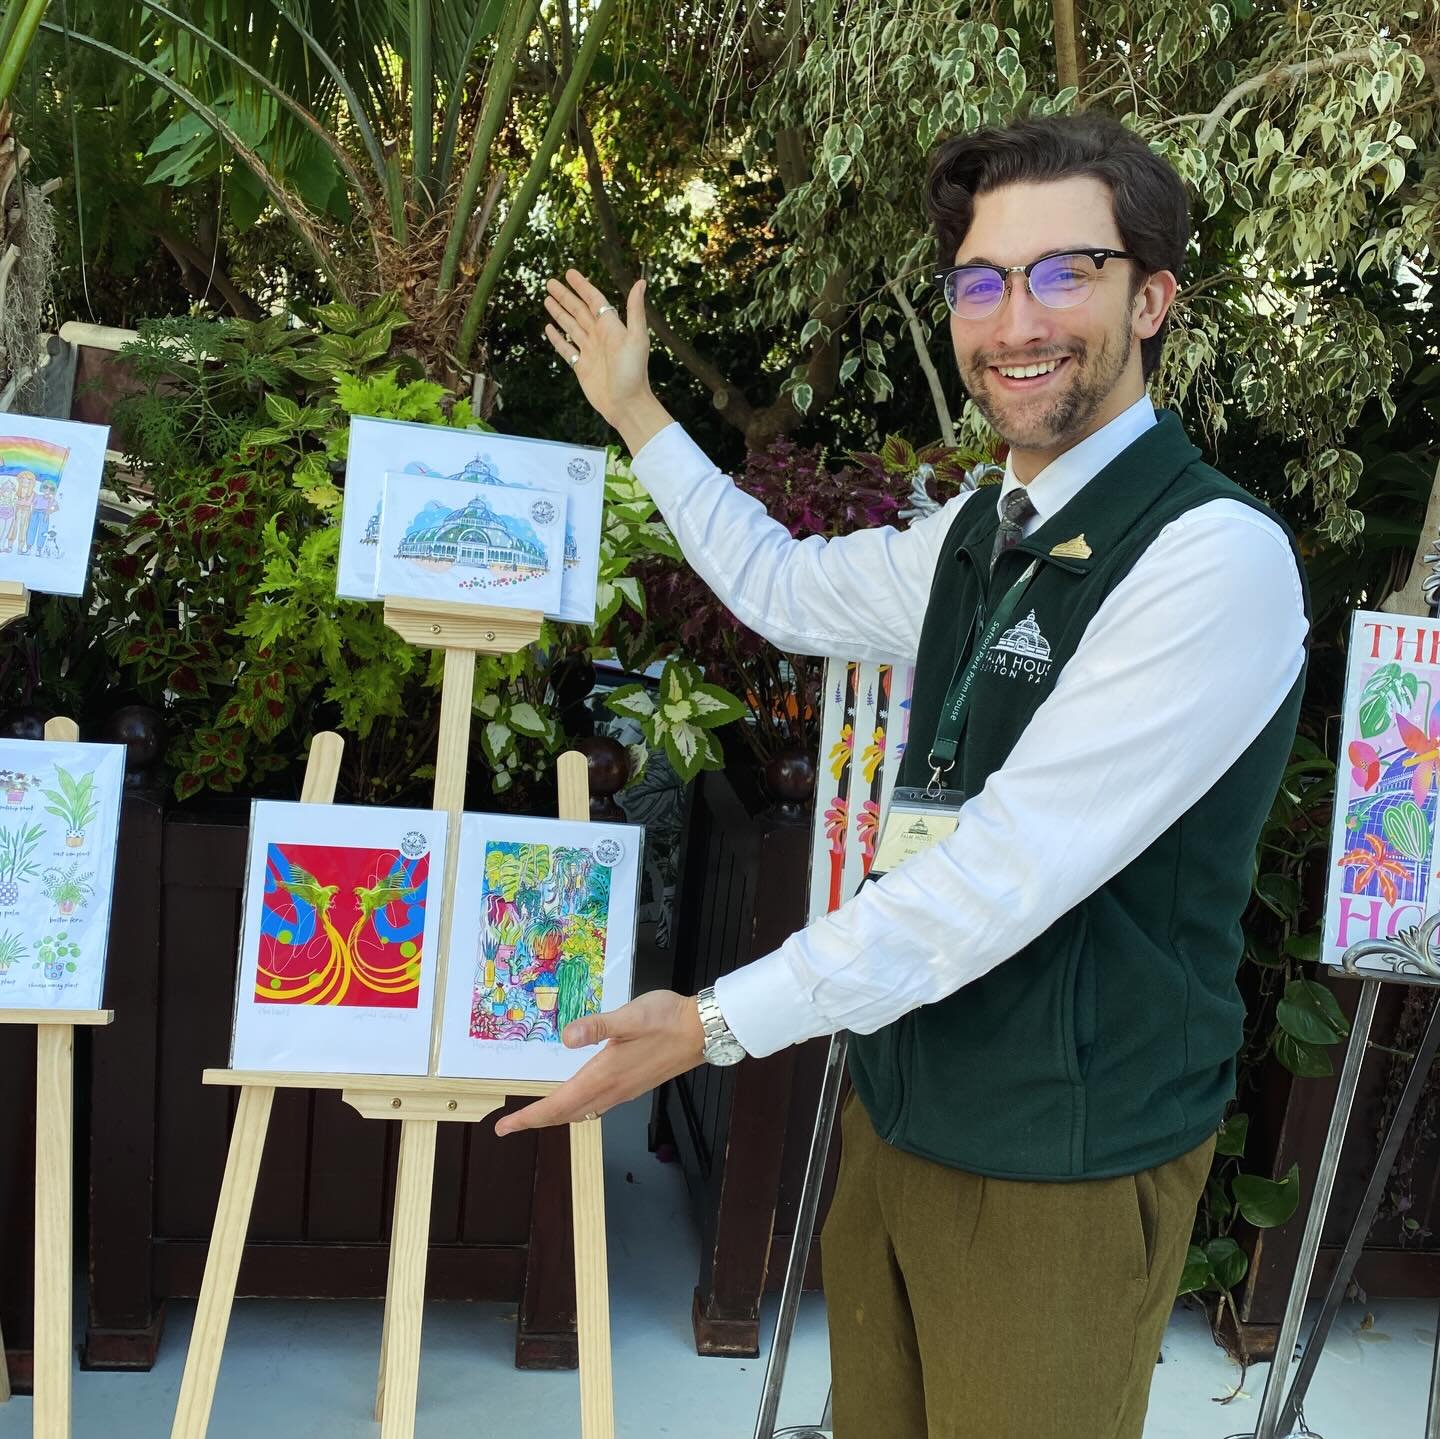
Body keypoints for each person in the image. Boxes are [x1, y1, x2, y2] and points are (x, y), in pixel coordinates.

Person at [496, 114, 1310, 1438]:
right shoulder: (980, 535)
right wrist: (638, 415)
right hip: (908, 1104)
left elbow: (1003, 870)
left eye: (1066, 272)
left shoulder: (1212, 560)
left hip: (1065, 1155)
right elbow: (781, 587)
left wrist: (713, 1022)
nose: (1015, 319)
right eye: (981, 282)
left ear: (1151, 298)